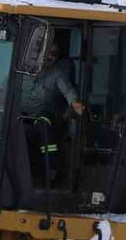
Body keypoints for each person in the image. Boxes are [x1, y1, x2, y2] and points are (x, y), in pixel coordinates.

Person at [19, 41, 85, 189]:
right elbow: (7, 88)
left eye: (54, 54)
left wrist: (75, 104)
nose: (50, 56)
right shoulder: (21, 70)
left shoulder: (58, 74)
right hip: (20, 115)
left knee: (43, 126)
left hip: (43, 115)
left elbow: (69, 92)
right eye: (48, 52)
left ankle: (51, 171)